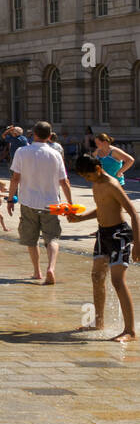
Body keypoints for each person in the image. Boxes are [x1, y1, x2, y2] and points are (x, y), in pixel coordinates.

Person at [68, 154, 138, 342]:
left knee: (118, 281)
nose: (87, 180)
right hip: (102, 234)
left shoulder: (112, 184)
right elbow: (102, 208)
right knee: (96, 277)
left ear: (98, 169)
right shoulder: (96, 182)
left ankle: (130, 331)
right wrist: (80, 218)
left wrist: (137, 245)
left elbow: (133, 212)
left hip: (119, 236)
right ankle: (98, 322)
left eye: (88, 176)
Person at [10, 121, 72, 285]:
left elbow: (15, 178)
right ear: (50, 136)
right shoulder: (55, 154)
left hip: (28, 201)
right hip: (51, 202)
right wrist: (70, 204)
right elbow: (64, 181)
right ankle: (50, 268)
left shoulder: (21, 152)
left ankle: (37, 271)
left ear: (33, 135)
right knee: (52, 238)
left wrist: (10, 199)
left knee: (31, 239)